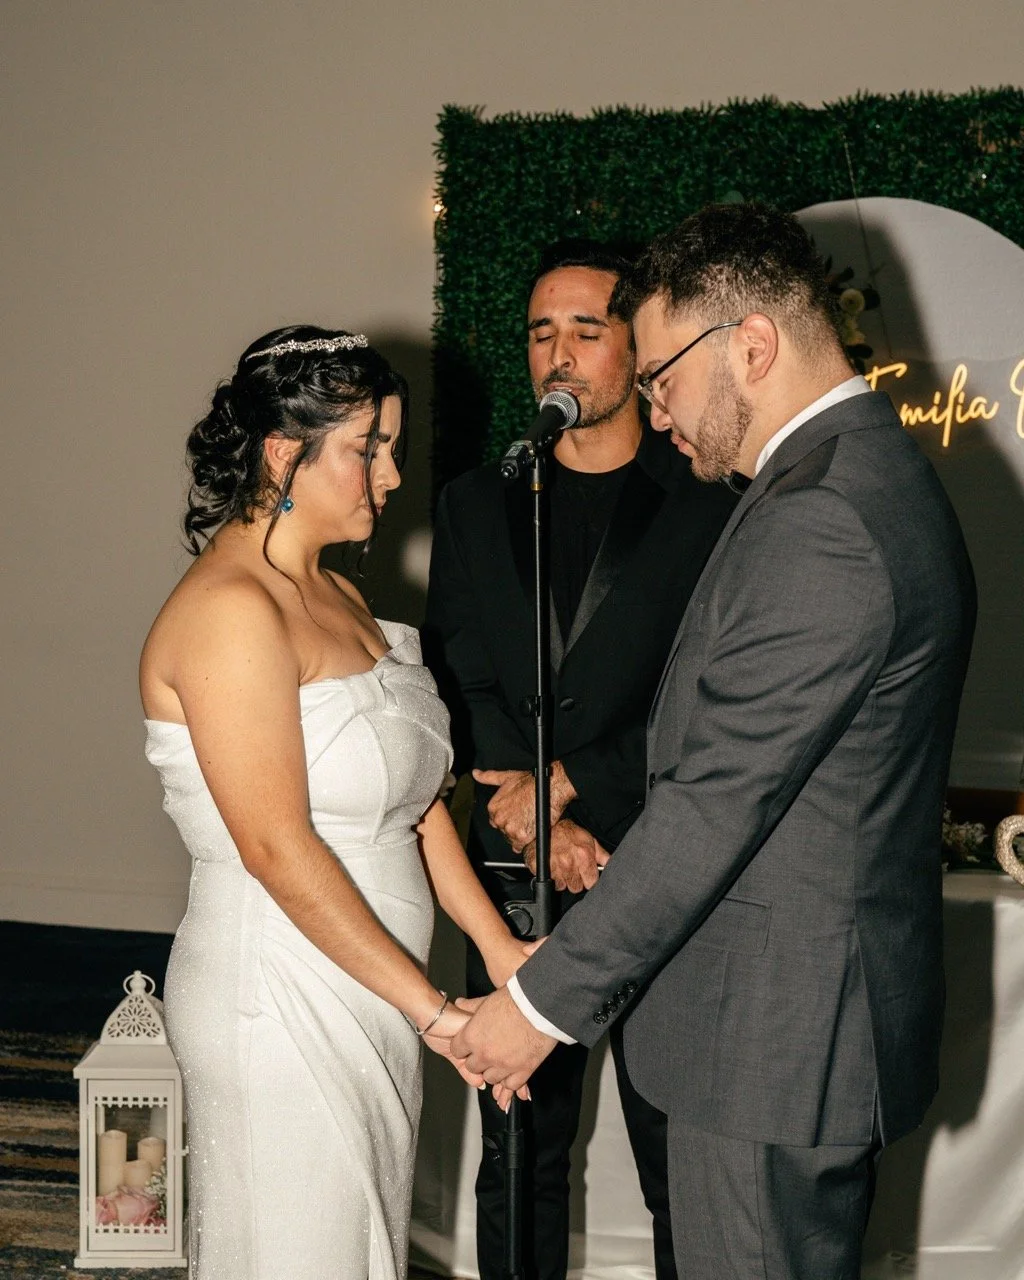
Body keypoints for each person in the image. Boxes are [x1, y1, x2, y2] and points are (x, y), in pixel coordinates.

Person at [452, 204, 978, 1280]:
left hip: (772, 1040)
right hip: (793, 1019)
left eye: (660, 377)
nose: (655, 409)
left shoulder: (820, 514)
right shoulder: (850, 470)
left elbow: (714, 801)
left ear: (750, 345)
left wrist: (538, 1004)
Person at [140, 326, 528, 1280]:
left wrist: (499, 949)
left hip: (380, 985)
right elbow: (276, 848)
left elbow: (418, 804)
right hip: (276, 989)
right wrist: (439, 1014)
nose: (391, 476)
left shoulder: (345, 600)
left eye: (391, 448)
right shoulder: (232, 610)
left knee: (360, 1251)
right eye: (370, 448)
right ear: (285, 453)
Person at [422, 241, 737, 1280]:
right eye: (539, 332)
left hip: (656, 864)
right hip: (516, 870)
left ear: (634, 347)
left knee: (673, 1149)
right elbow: (456, 671)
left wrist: (577, 786)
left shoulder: (709, 500)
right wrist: (532, 815)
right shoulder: (476, 500)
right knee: (519, 1144)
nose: (558, 355)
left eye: (585, 331)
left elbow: (708, 698)